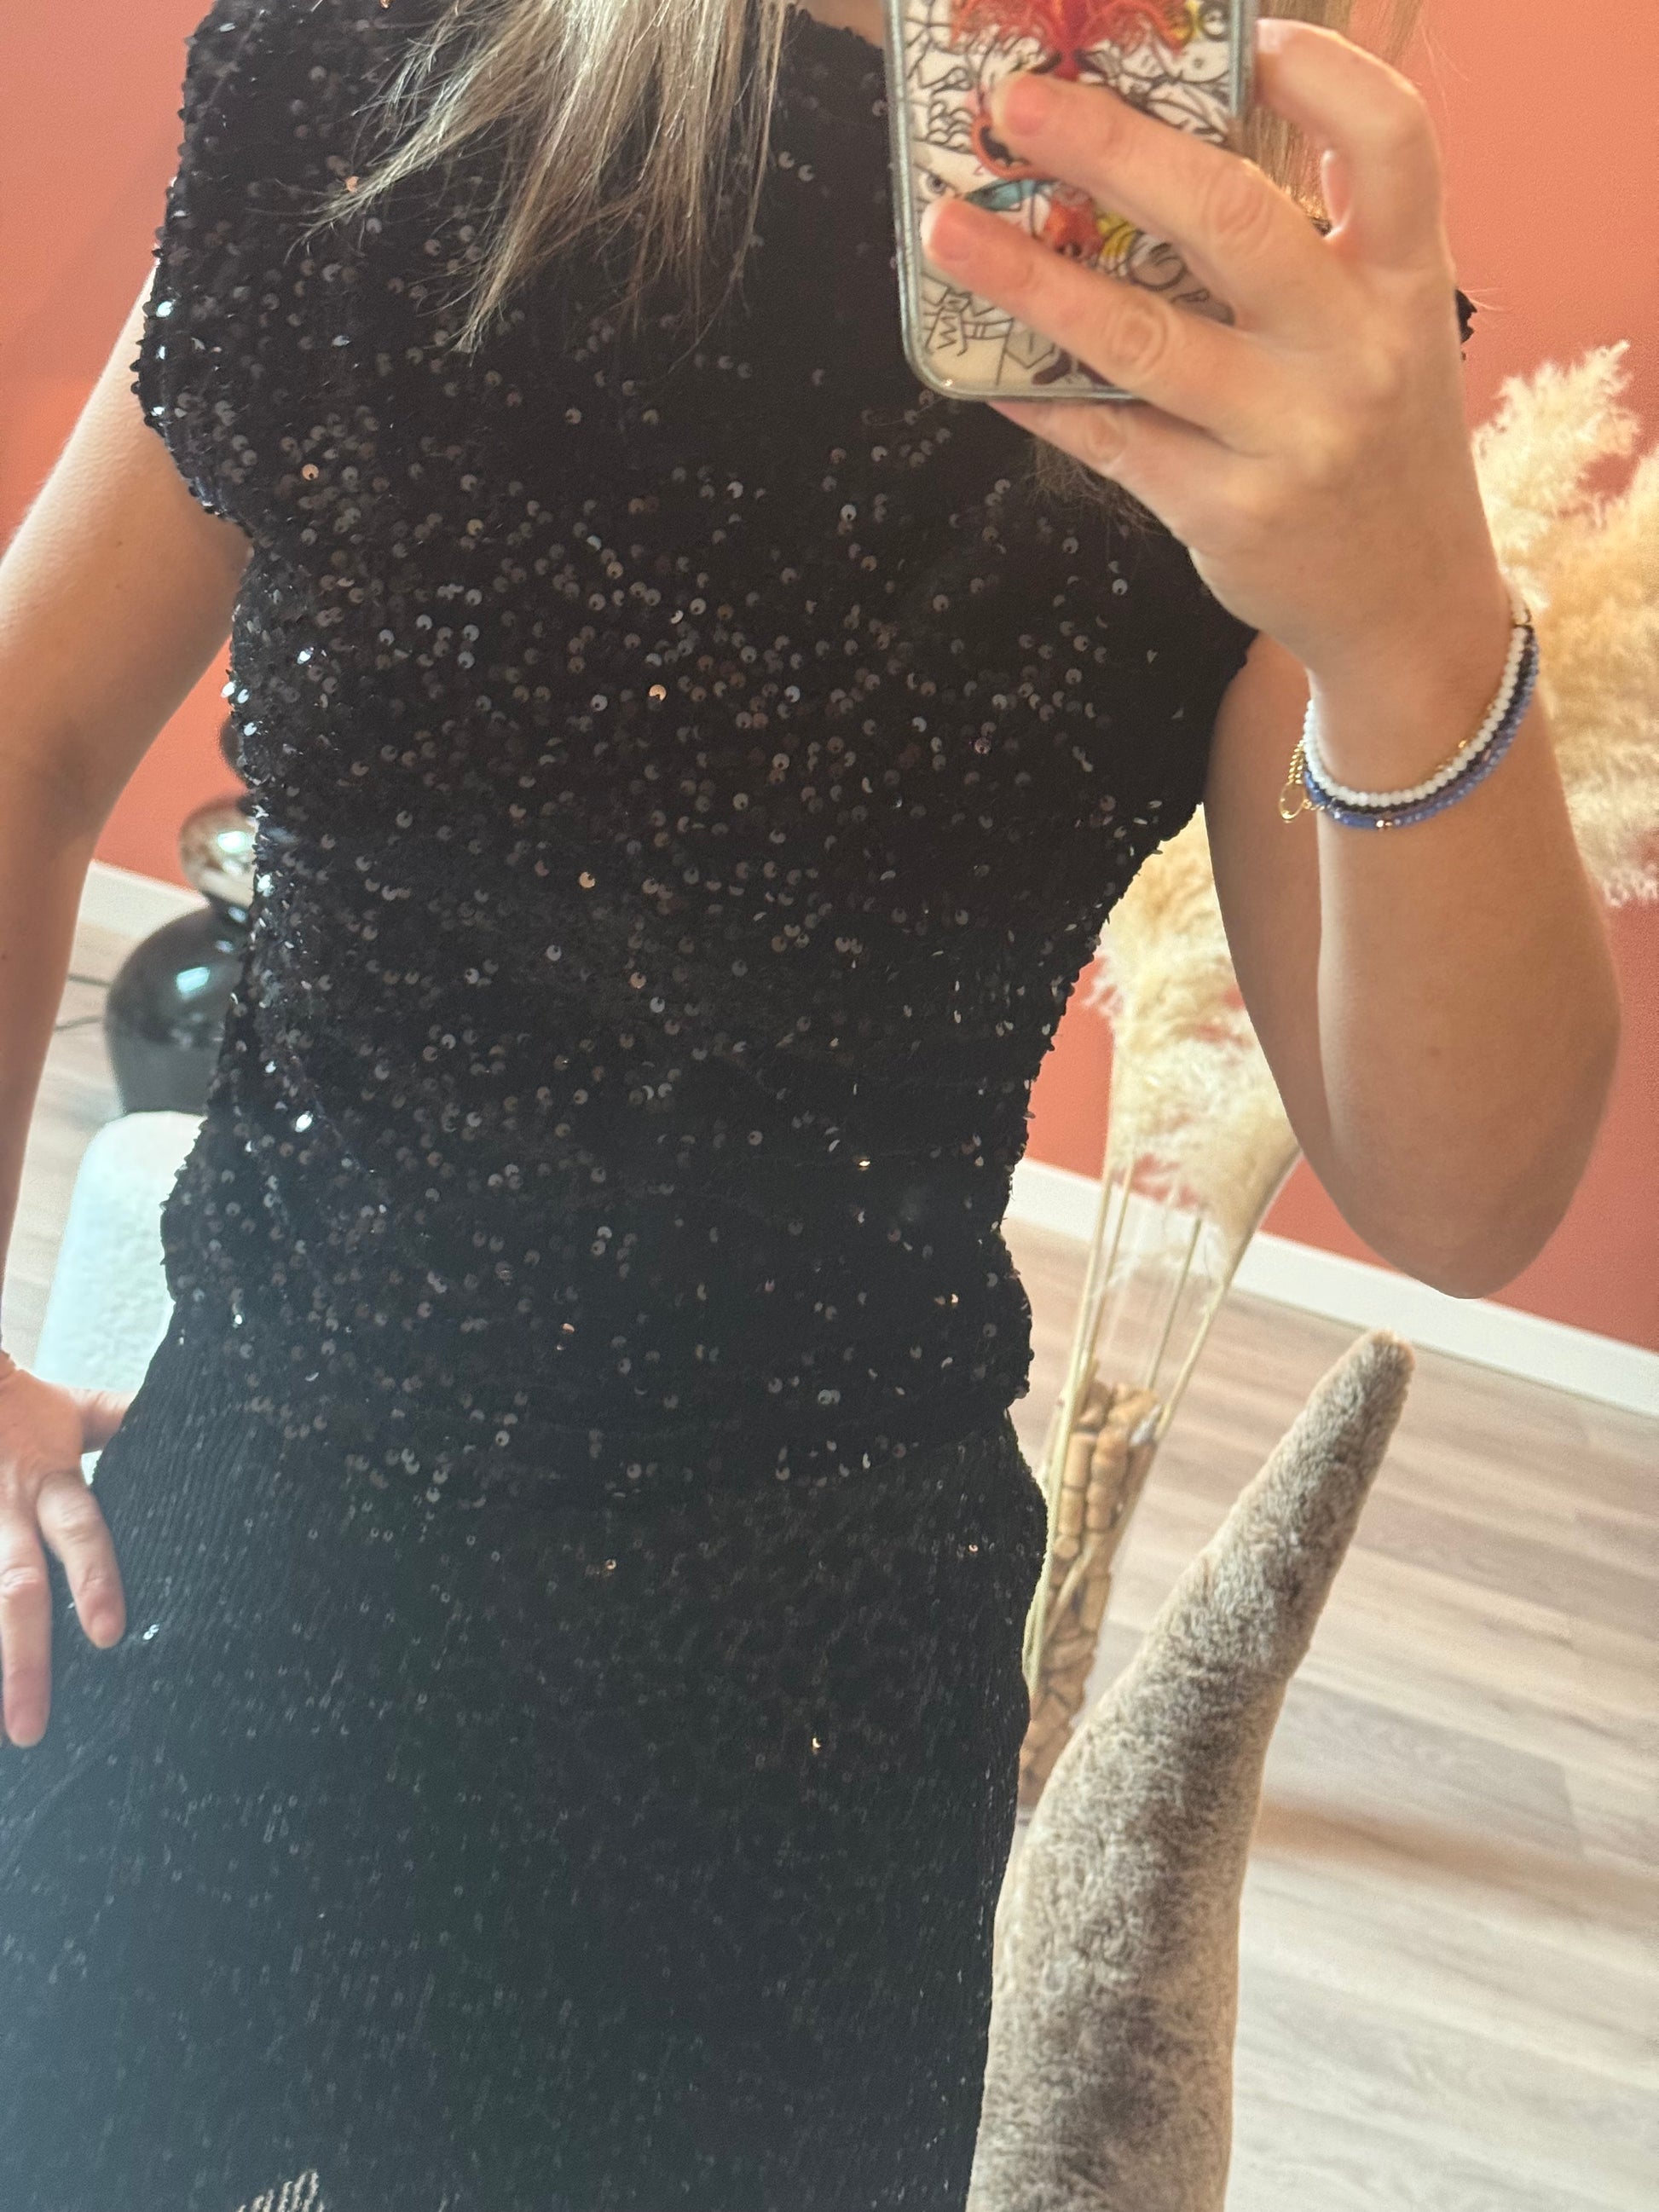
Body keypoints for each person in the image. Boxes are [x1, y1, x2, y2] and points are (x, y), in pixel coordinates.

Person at [0, 3, 1621, 2208]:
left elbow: (1462, 1192)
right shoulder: (384, 67)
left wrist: (1416, 614)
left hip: (809, 1736)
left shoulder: (1246, 312)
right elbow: (30, 733)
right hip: (236, 1592)